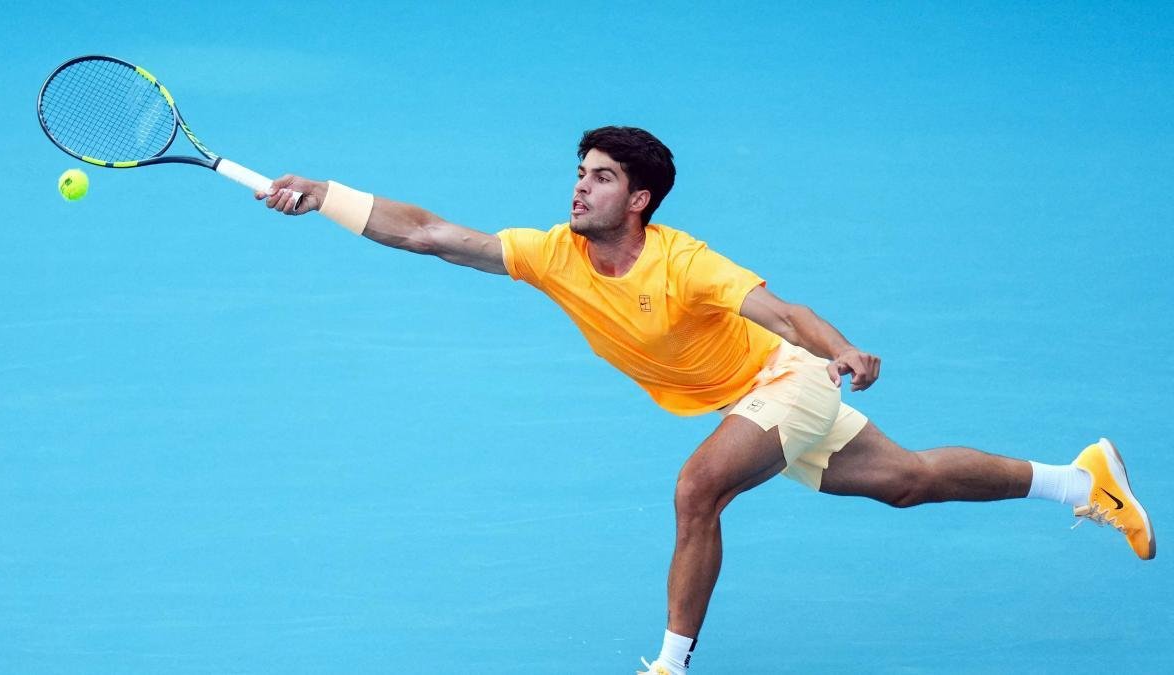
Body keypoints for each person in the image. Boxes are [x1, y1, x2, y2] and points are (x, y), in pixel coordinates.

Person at [257, 126, 1155, 675]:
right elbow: (427, 232)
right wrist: (325, 194)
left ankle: (670, 665)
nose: (579, 184)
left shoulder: (684, 262)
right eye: (579, 169)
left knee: (698, 489)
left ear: (639, 199)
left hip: (788, 380)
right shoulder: (551, 253)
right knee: (908, 481)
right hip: (745, 398)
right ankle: (1081, 481)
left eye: (601, 175)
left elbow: (783, 311)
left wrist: (840, 349)